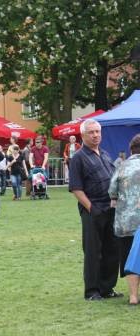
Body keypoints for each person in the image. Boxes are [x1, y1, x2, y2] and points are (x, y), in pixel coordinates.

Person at [69, 119, 122, 301]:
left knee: (112, 250)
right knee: (93, 251)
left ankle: (107, 288)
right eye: (91, 132)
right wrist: (92, 208)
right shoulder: (78, 158)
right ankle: (92, 291)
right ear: (82, 135)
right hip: (93, 209)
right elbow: (76, 188)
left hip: (112, 209)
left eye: (97, 131)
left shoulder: (105, 154)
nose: (95, 135)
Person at [108, 134, 140, 305]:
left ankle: (133, 296)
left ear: (131, 150)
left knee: (129, 257)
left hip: (126, 222)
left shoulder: (121, 166)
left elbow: (112, 191)